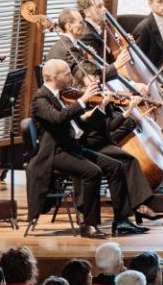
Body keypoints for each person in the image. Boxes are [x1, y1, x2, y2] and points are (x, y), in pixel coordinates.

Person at [29, 59, 141, 239]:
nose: (71, 77)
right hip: (54, 153)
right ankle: (89, 225)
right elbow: (58, 118)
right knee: (93, 172)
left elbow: (82, 125)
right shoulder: (40, 97)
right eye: (66, 74)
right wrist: (82, 100)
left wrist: (102, 106)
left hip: (71, 147)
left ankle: (121, 220)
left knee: (116, 166)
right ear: (54, 77)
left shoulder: (59, 95)